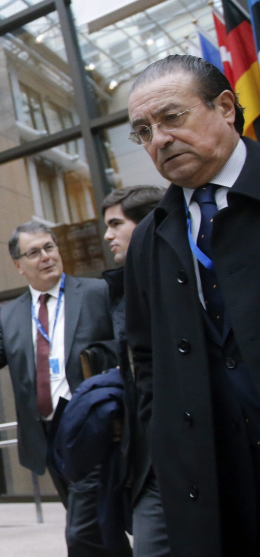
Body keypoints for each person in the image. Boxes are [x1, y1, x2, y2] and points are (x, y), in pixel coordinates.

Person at [0, 220, 130, 556]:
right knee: (99, 527)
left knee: (83, 532)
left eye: (49, 247)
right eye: (34, 252)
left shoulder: (96, 293)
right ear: (18, 265)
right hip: (49, 435)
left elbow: (127, 345)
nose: (45, 257)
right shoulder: (11, 315)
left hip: (94, 426)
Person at [125, 54, 260, 556]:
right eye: (144, 131)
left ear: (224, 107)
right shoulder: (149, 238)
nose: (159, 139)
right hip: (209, 483)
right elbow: (147, 359)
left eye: (171, 118)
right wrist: (169, 447)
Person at [100, 186, 169, 557]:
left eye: (116, 224)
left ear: (145, 224)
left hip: (203, 447)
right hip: (147, 460)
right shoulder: (118, 293)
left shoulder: (186, 279)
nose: (107, 235)